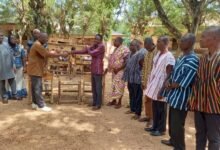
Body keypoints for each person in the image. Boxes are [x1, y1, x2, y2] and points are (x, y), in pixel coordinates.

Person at [161, 33, 199, 150]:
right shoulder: (182, 57)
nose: (180, 43)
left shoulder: (193, 60)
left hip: (182, 98)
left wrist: (171, 85)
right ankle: (173, 140)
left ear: (190, 43)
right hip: (174, 96)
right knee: (172, 123)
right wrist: (168, 82)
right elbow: (173, 74)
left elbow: (184, 82)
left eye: (182, 41)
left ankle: (180, 147)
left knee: (178, 125)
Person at [188, 26, 220, 150]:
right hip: (200, 105)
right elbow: (197, 81)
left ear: (215, 38)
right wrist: (194, 101)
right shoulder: (203, 58)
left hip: (215, 108)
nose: (200, 40)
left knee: (214, 138)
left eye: (203, 37)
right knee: (200, 135)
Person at [27, 32, 68, 112]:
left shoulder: (38, 44)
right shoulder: (37, 45)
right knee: (38, 87)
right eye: (45, 38)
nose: (47, 40)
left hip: (34, 69)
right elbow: (46, 54)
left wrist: (55, 53)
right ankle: (41, 105)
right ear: (41, 38)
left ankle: (35, 103)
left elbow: (45, 53)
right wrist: (62, 55)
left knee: (34, 87)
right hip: (35, 70)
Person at [144, 36, 175, 136]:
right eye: (157, 41)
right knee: (155, 106)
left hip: (162, 85)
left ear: (165, 43)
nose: (156, 43)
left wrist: (162, 90)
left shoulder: (169, 56)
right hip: (154, 83)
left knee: (161, 108)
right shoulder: (158, 54)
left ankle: (161, 129)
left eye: (159, 42)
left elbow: (169, 74)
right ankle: (155, 126)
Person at [72, 34, 105, 111]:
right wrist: (72, 52)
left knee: (98, 88)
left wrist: (88, 48)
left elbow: (92, 53)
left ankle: (98, 104)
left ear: (100, 40)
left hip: (98, 69)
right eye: (95, 39)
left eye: (97, 39)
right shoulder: (95, 46)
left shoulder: (101, 46)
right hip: (93, 69)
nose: (95, 40)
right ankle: (94, 102)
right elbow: (84, 51)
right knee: (93, 88)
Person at [122, 39, 146, 120]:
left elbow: (142, 66)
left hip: (137, 78)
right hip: (130, 78)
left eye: (132, 45)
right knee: (131, 94)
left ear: (137, 46)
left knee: (138, 96)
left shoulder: (140, 54)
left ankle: (137, 113)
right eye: (130, 45)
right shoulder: (130, 54)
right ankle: (132, 109)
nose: (131, 47)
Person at [106, 37, 129, 109]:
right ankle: (114, 100)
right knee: (114, 86)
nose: (114, 42)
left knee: (120, 86)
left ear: (119, 42)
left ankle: (119, 102)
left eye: (115, 41)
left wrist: (118, 69)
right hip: (114, 71)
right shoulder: (116, 49)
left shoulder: (125, 49)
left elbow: (126, 62)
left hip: (120, 71)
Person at [139, 37, 157, 128]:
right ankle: (148, 115)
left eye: (146, 45)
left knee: (153, 101)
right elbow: (144, 67)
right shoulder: (146, 53)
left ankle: (152, 119)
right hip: (146, 81)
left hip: (154, 82)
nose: (145, 47)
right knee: (147, 100)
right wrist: (142, 80)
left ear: (151, 44)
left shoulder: (157, 53)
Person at [0, 31, 21, 103]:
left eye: (2, 35)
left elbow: (11, 54)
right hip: (0, 67)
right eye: (0, 36)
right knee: (1, 83)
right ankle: (4, 97)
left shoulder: (6, 44)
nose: (1, 37)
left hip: (9, 66)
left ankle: (14, 95)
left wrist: (14, 65)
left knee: (12, 80)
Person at [6, 34, 27, 98]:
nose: (13, 40)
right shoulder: (6, 48)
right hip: (8, 68)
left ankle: (19, 94)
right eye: (11, 39)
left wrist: (24, 67)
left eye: (14, 38)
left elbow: (23, 58)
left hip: (19, 67)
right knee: (10, 81)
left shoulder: (20, 47)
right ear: (9, 40)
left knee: (19, 80)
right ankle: (10, 94)